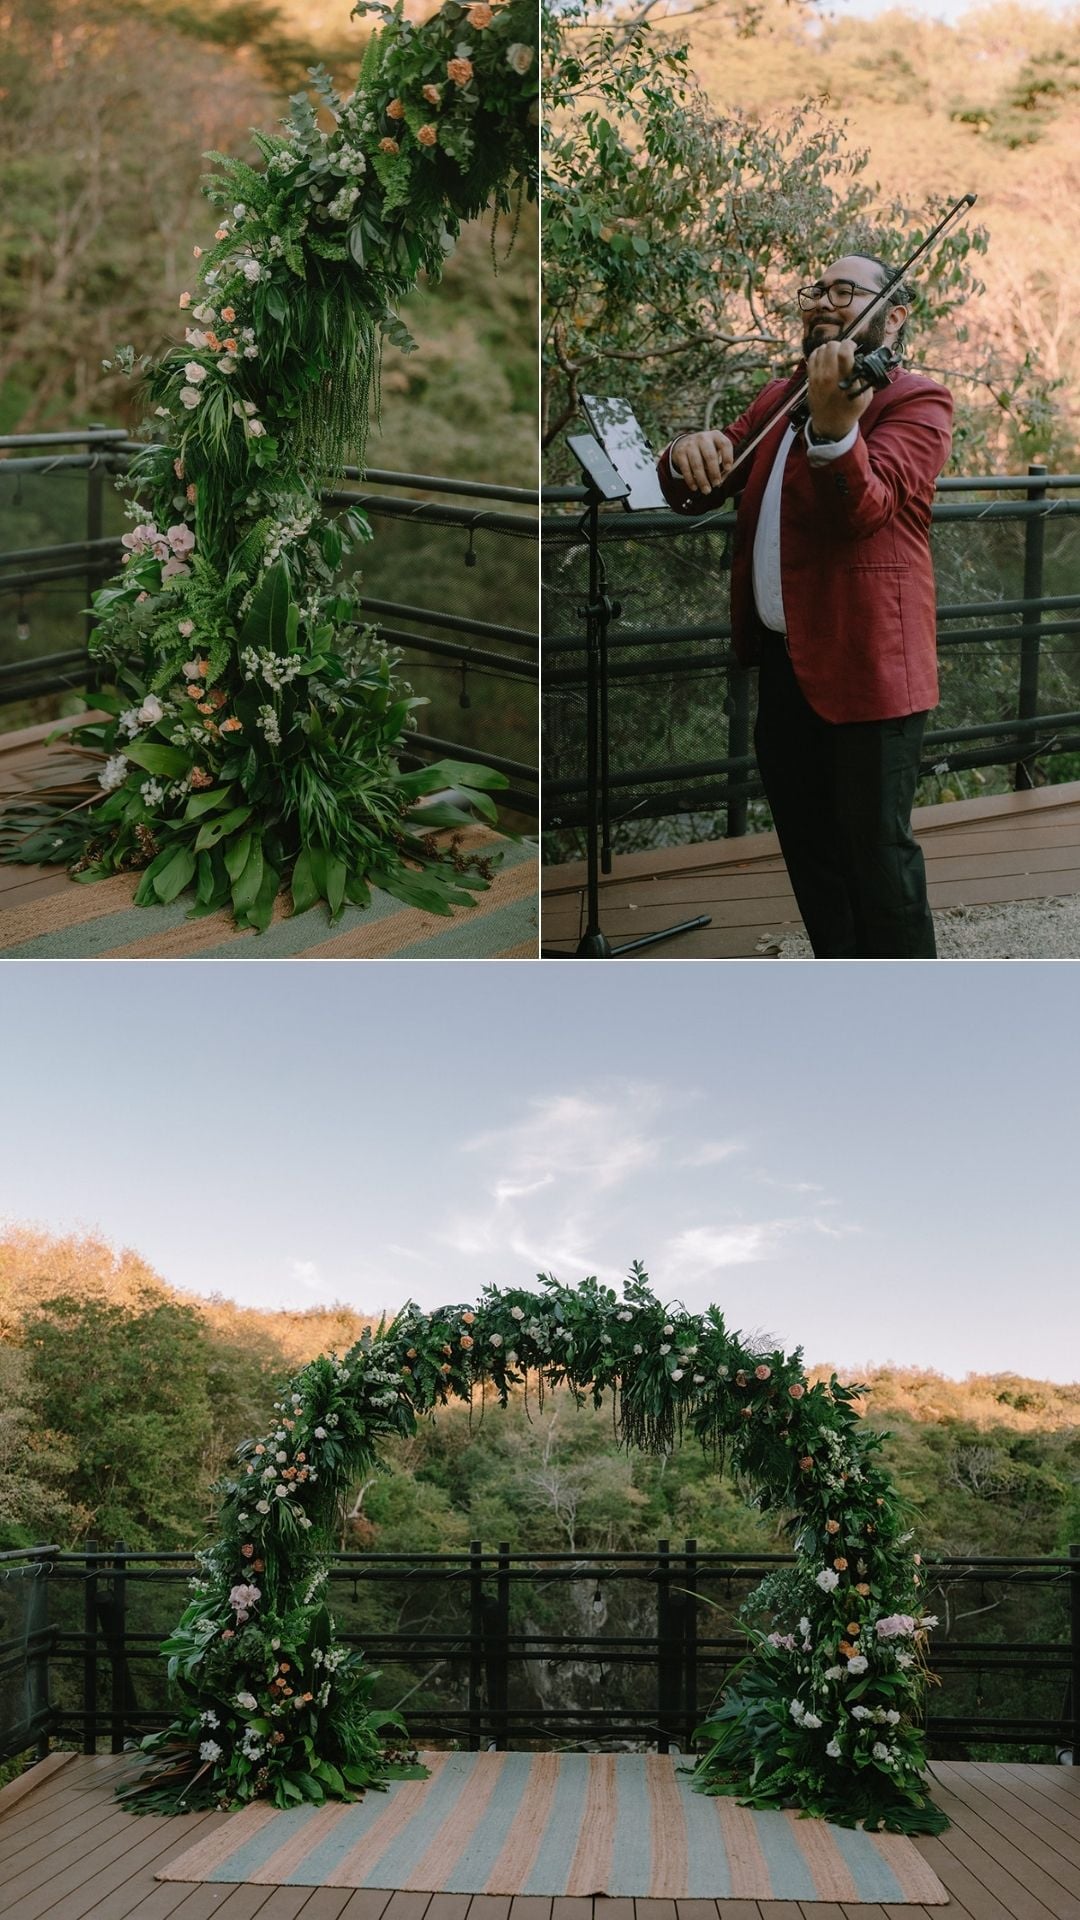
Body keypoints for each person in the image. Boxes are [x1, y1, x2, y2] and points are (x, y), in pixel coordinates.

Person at [656, 255, 954, 959]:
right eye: (816, 290)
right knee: (814, 864)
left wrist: (834, 432)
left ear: (896, 314)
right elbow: (706, 477)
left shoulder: (917, 400)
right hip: (787, 668)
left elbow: (867, 510)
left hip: (869, 673)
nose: (823, 300)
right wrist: (686, 451)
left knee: (879, 867)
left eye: (844, 291)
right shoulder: (780, 394)